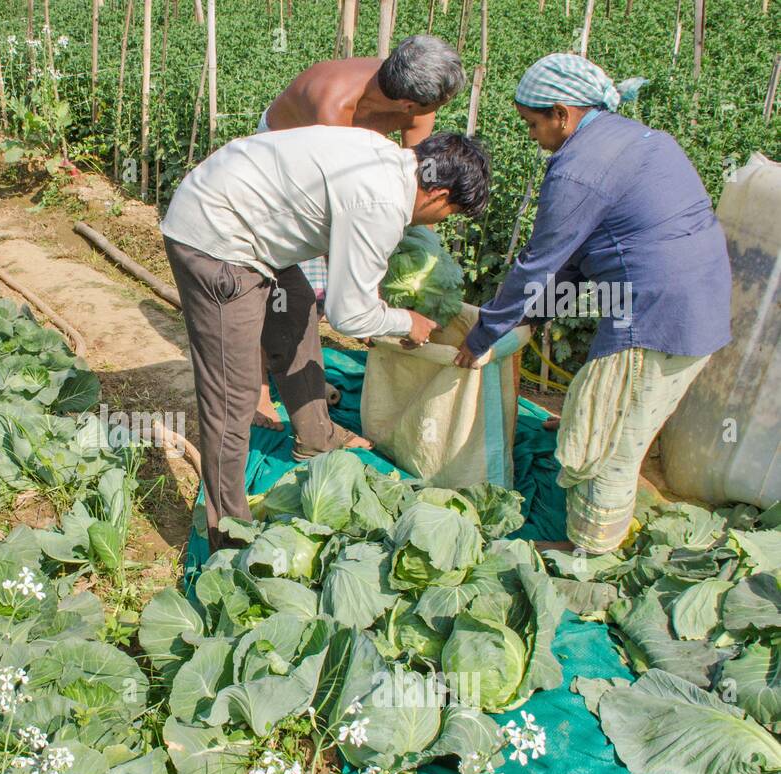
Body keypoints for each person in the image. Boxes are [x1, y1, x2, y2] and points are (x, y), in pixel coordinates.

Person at [454, 53, 732, 555]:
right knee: (614, 409)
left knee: (609, 443)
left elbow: (538, 264)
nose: (533, 137)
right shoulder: (636, 139)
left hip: (653, 316)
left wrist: (483, 335)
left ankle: (588, 552)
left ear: (563, 113)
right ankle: (598, 439)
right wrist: (535, 318)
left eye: (533, 124)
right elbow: (578, 257)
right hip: (696, 300)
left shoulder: (579, 168)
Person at [162, 130, 491, 551]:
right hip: (218, 241)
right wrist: (405, 322)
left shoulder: (389, 159)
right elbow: (348, 315)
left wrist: (377, 306)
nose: (441, 223)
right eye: (451, 213)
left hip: (242, 211)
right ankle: (229, 532)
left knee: (294, 304)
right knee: (233, 394)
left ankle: (315, 435)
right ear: (439, 194)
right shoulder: (384, 204)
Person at [253, 34, 467, 434]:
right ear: (407, 104)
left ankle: (300, 376)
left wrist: (421, 256)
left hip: (358, 180)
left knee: (327, 297)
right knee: (285, 290)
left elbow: (419, 186)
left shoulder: (417, 103)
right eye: (432, 110)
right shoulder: (332, 102)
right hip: (285, 175)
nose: (433, 116)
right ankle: (259, 390)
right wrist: (364, 301)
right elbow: (337, 207)